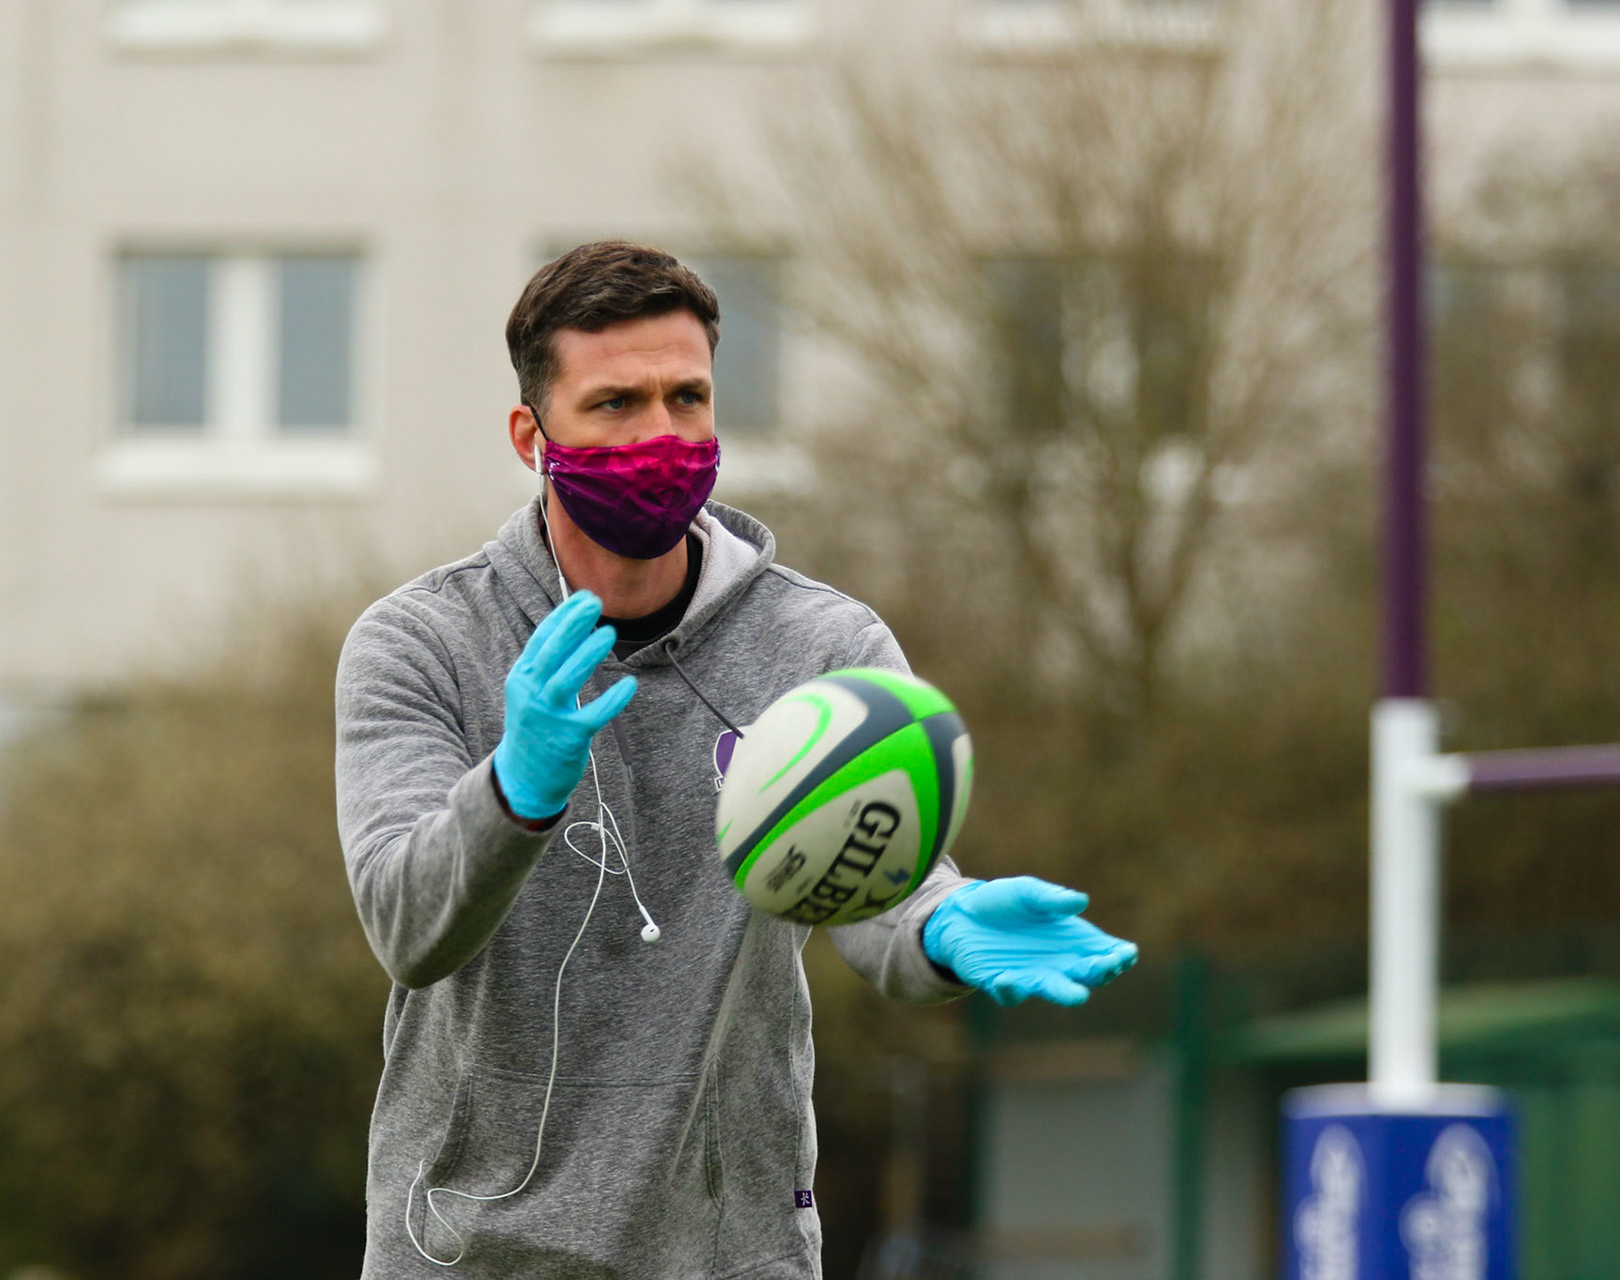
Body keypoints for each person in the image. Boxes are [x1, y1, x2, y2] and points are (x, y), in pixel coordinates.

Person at [335, 240, 1137, 1278]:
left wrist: (941, 919)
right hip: (464, 1253)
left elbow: (874, 887)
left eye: (688, 397)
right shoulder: (420, 642)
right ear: (532, 435)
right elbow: (406, 927)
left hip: (733, 1255)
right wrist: (514, 788)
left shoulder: (824, 647)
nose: (660, 434)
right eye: (616, 403)